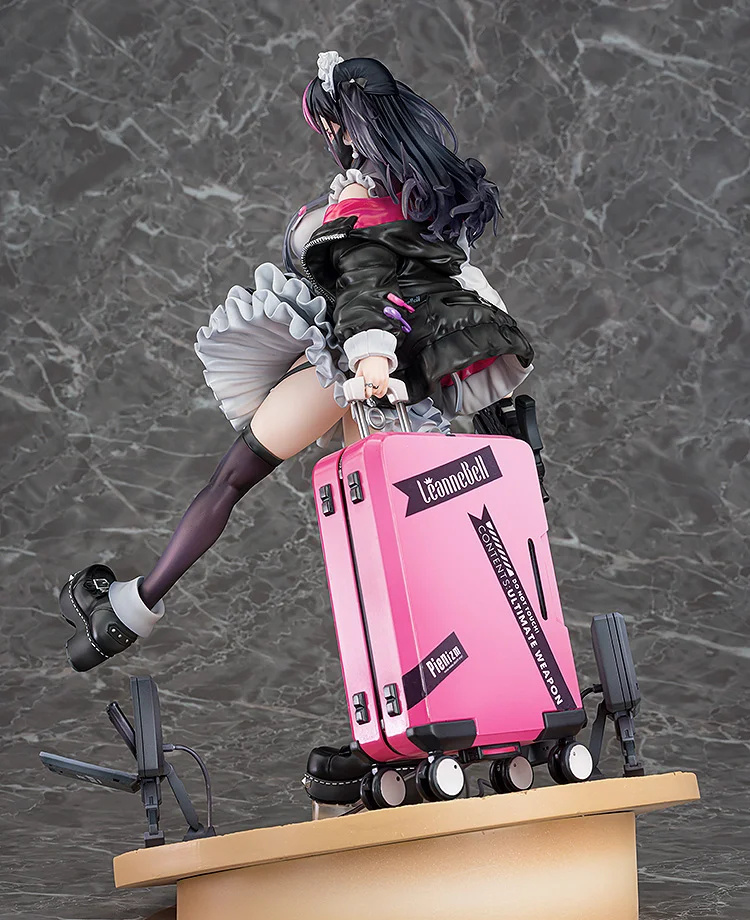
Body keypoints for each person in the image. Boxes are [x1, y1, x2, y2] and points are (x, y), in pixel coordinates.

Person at [59, 52, 534, 672]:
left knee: (235, 480)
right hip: (398, 382)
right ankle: (437, 662)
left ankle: (124, 614)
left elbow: (364, 283)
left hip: (350, 373)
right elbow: (468, 294)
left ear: (342, 128)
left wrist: (369, 357)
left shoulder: (362, 201)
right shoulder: (426, 201)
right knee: (387, 527)